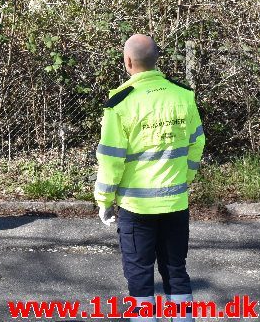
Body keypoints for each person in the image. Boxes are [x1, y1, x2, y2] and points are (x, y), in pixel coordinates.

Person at [94, 34, 205, 322]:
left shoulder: (120, 104)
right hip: (175, 203)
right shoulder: (183, 95)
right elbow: (197, 143)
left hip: (136, 207)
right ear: (156, 60)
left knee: (139, 274)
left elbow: (111, 158)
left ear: (128, 62)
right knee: (176, 270)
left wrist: (104, 199)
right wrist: (186, 175)